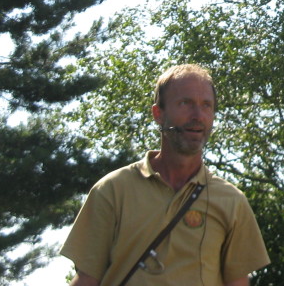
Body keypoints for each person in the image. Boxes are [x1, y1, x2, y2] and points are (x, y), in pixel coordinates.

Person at [61, 64, 270, 286]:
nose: (198, 115)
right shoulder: (112, 190)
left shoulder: (231, 202)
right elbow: (87, 279)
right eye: (185, 103)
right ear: (158, 114)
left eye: (206, 105)